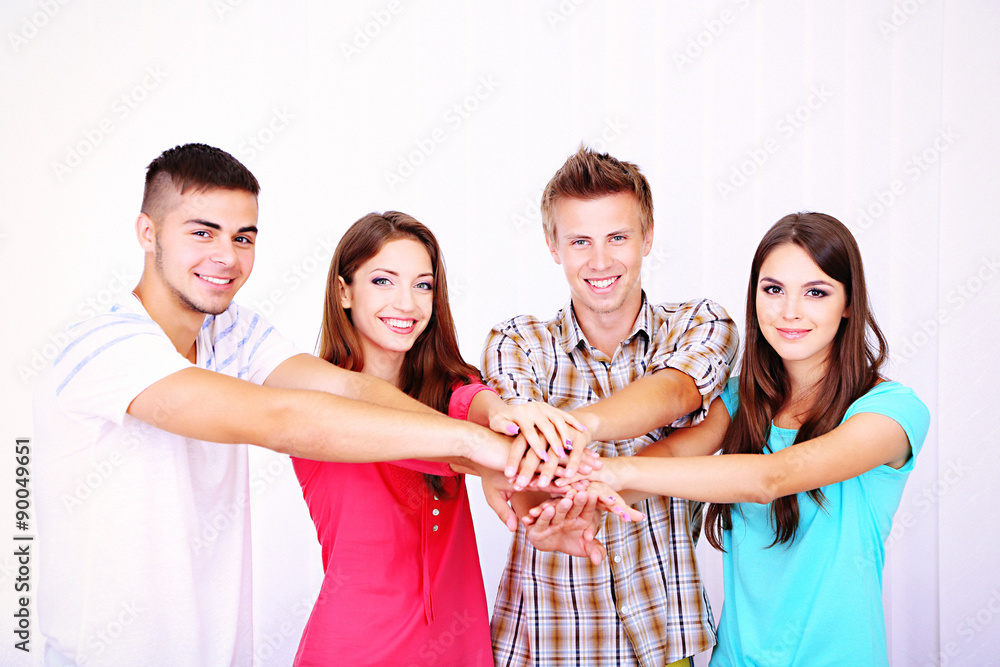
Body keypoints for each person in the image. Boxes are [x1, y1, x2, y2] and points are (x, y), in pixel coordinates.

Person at [32, 144, 545, 667]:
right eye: (202, 232)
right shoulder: (104, 346)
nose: (226, 257)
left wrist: (487, 439)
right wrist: (476, 445)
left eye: (242, 237)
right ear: (148, 232)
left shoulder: (234, 332)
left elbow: (349, 389)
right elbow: (282, 418)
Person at [540, 212, 930, 666]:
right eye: (773, 290)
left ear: (848, 303)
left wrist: (615, 470)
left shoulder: (892, 412)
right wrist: (576, 500)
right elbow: (670, 456)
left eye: (816, 292)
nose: (790, 311)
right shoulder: (740, 399)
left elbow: (771, 478)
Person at [291, 211, 594, 666]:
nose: (407, 303)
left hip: (460, 647)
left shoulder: (445, 389)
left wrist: (502, 414)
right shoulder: (314, 397)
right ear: (343, 292)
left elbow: (470, 401)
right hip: (356, 649)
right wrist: (482, 450)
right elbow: (430, 439)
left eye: (423, 285)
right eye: (382, 281)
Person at [484, 146, 739, 667]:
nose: (600, 262)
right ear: (553, 246)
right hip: (549, 642)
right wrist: (540, 510)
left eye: (617, 237)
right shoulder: (519, 342)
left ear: (648, 237)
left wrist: (577, 428)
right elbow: (518, 458)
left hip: (666, 636)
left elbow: (677, 392)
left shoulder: (700, 323)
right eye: (580, 241)